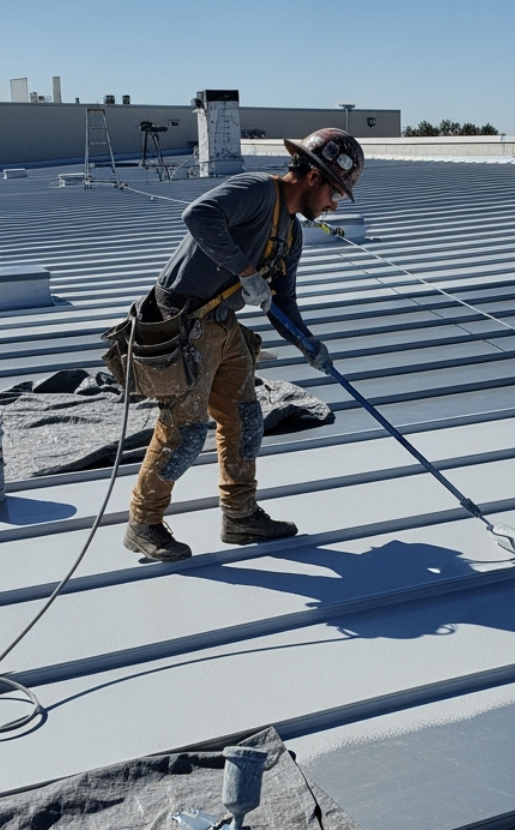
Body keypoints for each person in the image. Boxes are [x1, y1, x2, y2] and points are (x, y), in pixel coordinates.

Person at [123, 128, 364, 562]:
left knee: (245, 419)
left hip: (221, 324)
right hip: (182, 320)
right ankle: (143, 523)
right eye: (335, 192)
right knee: (185, 431)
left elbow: (281, 302)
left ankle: (239, 515)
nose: (333, 204)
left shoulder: (290, 235)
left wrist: (307, 342)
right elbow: (199, 216)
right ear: (313, 177)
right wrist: (247, 271)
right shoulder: (257, 190)